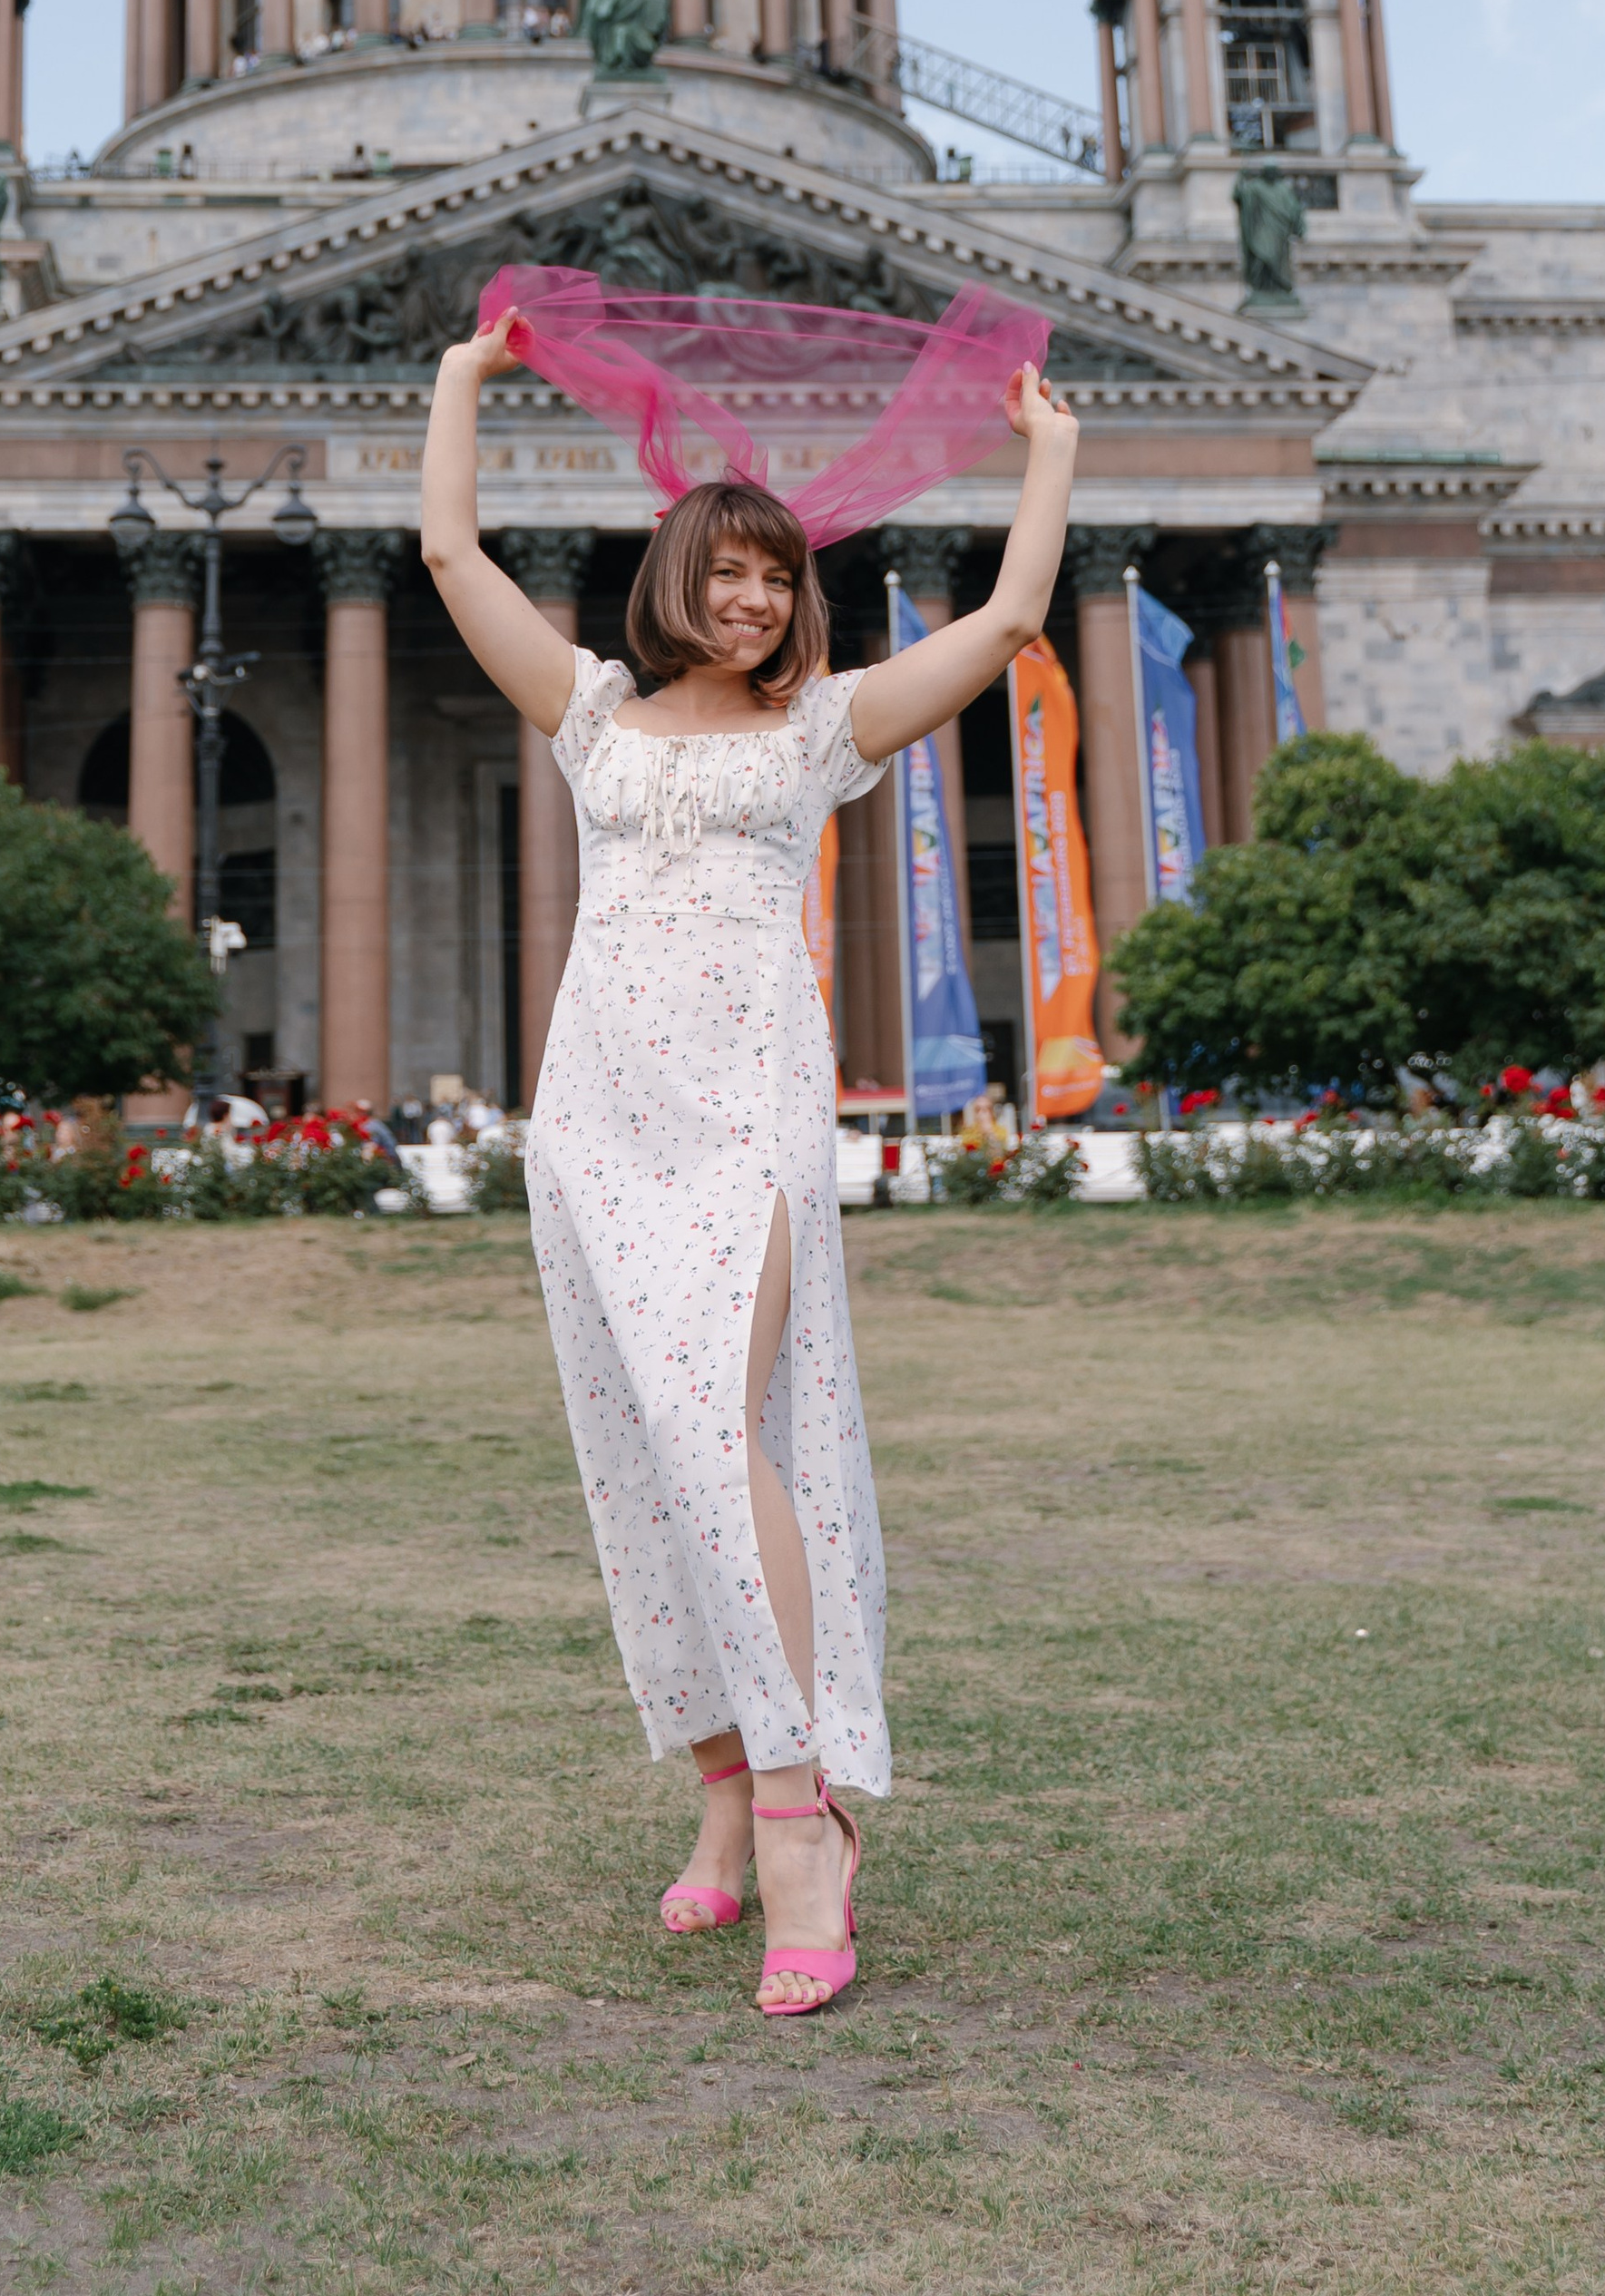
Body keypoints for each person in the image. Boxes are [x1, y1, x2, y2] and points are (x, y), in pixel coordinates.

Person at [420, 310, 1079, 2015]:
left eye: (778, 577)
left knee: (725, 1423)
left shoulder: (824, 730)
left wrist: (1047, 452)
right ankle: (722, 1786)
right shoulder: (590, 717)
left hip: (747, 1109)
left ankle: (804, 1820)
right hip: (598, 1111)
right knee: (642, 1459)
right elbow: (445, 546)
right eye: (728, 575)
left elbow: (1010, 619)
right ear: (673, 582)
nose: (756, 601)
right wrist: (463, 383)